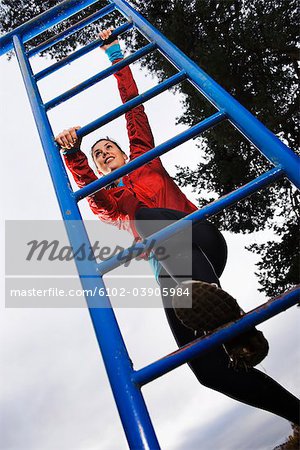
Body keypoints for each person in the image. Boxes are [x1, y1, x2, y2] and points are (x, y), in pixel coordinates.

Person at [55, 28, 300, 424]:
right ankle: (295, 412)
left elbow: (134, 110)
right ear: (100, 168)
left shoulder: (145, 160)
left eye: (108, 148)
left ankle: (232, 328)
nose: (104, 153)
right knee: (208, 371)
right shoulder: (112, 204)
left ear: (125, 151)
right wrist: (73, 153)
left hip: (199, 239)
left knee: (149, 218)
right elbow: (92, 194)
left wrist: (115, 54)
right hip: (172, 275)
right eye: (99, 156)